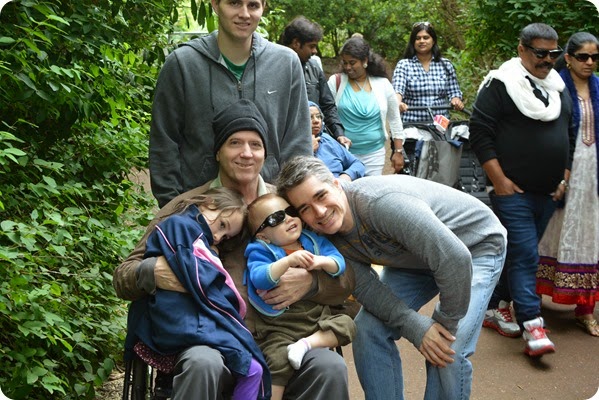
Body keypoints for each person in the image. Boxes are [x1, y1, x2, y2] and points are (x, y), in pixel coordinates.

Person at [114, 99, 353, 400]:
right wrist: (152, 272)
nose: (246, 153)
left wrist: (312, 282)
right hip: (213, 344)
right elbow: (123, 276)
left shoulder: (289, 206)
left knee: (329, 366)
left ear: (265, 153)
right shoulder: (188, 207)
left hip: (285, 339)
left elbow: (347, 283)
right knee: (202, 363)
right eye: (235, 143)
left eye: (256, 144)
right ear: (218, 151)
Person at [277, 155, 507, 400]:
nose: (320, 212)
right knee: (367, 330)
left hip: (475, 245)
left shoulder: (380, 203)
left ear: (336, 184)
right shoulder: (323, 236)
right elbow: (366, 288)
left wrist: (444, 326)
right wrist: (415, 327)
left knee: (448, 346)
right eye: (305, 209)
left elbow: (454, 259)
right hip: (414, 260)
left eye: (321, 196)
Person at [469, 23, 576, 357]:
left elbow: (569, 134)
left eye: (553, 53)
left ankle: (494, 305)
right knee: (527, 254)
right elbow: (479, 133)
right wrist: (499, 181)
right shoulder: (501, 84)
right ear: (521, 49)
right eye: (540, 53)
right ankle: (532, 324)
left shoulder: (558, 87)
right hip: (512, 193)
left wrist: (564, 178)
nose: (548, 60)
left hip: (548, 194)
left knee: (517, 254)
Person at [149, 0, 311, 208]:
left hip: (270, 208)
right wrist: (174, 207)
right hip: (200, 207)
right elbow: (164, 142)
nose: (244, 13)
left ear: (263, 8)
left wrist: (291, 204)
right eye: (234, 3)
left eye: (253, 5)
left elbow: (298, 142)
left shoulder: (286, 63)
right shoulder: (183, 64)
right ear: (215, 5)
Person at [126, 187, 271, 400]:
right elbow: (197, 276)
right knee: (251, 367)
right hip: (181, 321)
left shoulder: (198, 237)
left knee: (254, 368)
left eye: (225, 236)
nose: (217, 237)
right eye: (222, 225)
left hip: (193, 323)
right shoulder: (180, 225)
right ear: (209, 203)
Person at [244, 193, 356, 400]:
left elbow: (339, 263)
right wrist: (287, 262)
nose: (288, 218)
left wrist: (322, 262)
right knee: (277, 360)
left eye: (290, 212)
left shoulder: (312, 240)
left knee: (346, 324)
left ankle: (305, 345)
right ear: (263, 236)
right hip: (280, 327)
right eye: (276, 218)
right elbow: (259, 278)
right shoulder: (261, 250)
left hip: (316, 320)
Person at [536, 32, 599, 337]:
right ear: (570, 58)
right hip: (560, 170)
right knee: (549, 230)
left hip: (593, 175)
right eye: (583, 57)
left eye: (595, 57)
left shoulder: (598, 88)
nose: (589, 62)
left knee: (589, 234)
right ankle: (531, 306)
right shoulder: (554, 86)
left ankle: (585, 310)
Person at [327, 36, 405, 176]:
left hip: (374, 154)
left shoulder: (383, 84)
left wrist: (398, 151)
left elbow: (394, 119)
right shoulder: (336, 82)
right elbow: (327, 113)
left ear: (365, 61)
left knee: (371, 189)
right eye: (345, 63)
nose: (348, 67)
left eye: (352, 63)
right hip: (344, 153)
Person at [280, 16, 351, 148]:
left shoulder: (314, 68)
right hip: (286, 144)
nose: (315, 51)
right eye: (312, 46)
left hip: (318, 142)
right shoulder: (273, 69)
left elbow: (328, 105)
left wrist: (339, 133)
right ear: (296, 43)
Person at [392, 22, 464, 124]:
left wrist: (456, 101)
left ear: (433, 40)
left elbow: (454, 92)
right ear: (413, 42)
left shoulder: (446, 65)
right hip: (412, 124)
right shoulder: (404, 65)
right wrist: (398, 103)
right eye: (418, 38)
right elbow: (397, 90)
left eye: (426, 38)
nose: (422, 41)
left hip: (441, 125)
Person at [309, 101, 365, 181]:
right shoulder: (294, 145)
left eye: (318, 116)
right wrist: (309, 150)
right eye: (310, 117)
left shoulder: (326, 139)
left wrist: (346, 176)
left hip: (339, 183)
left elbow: (358, 164)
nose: (316, 121)